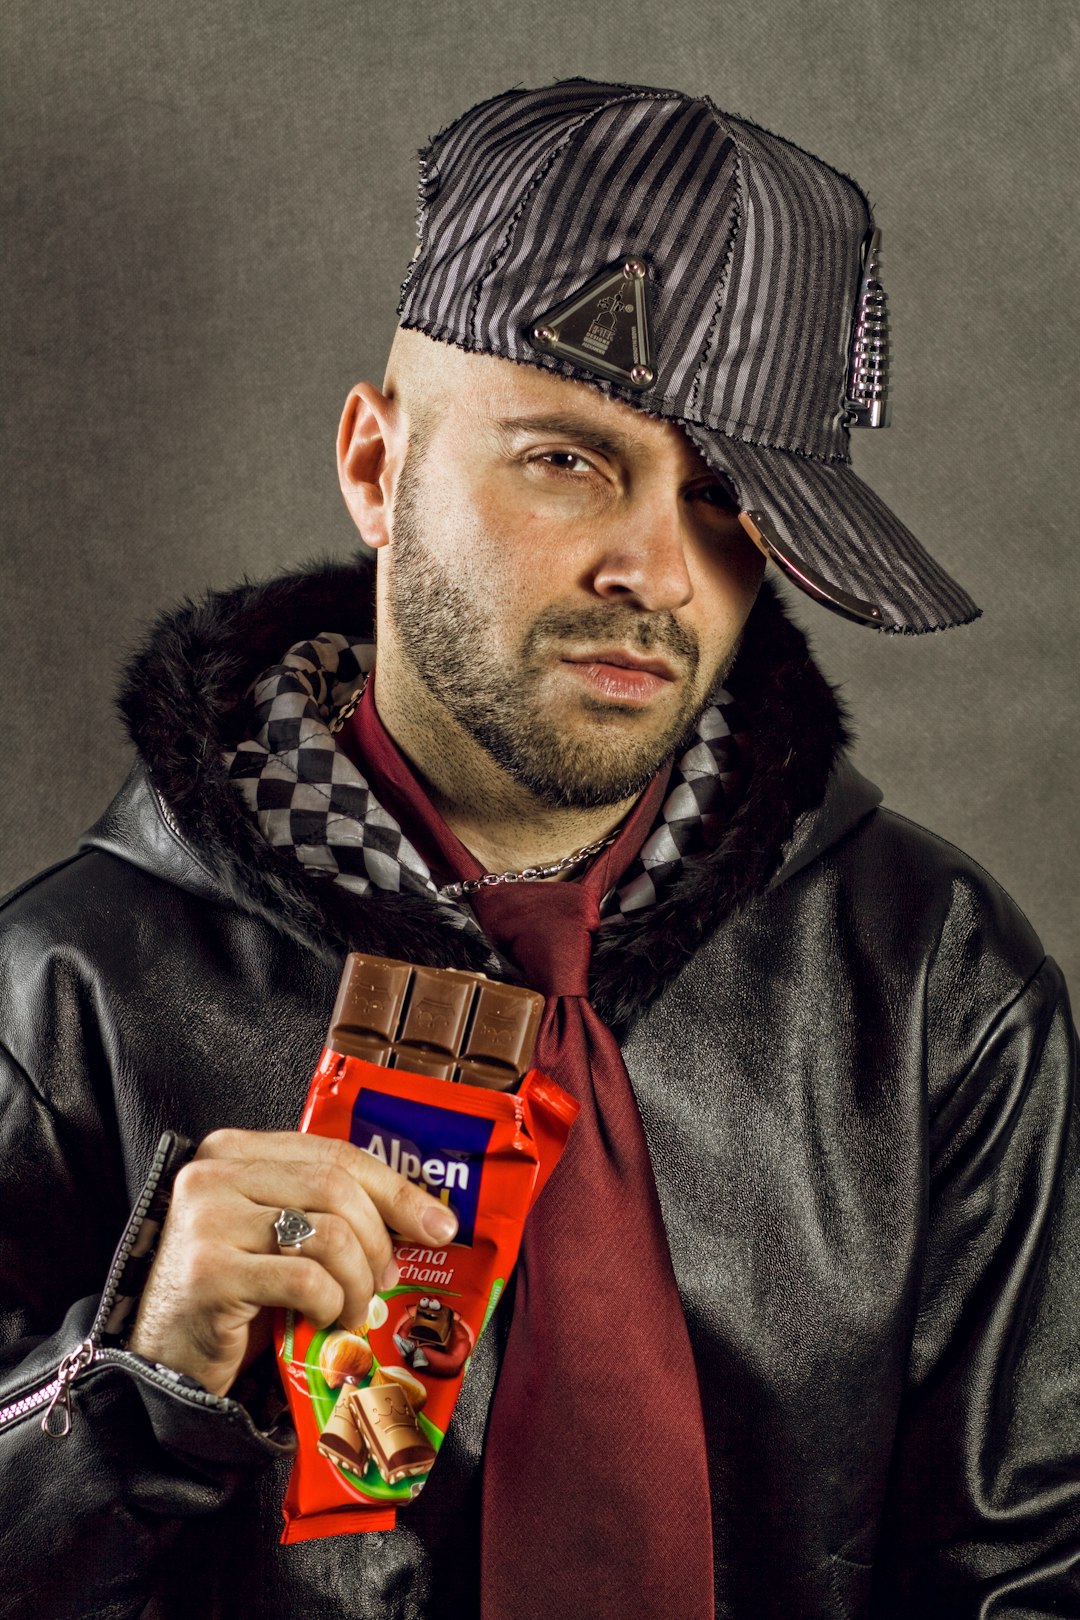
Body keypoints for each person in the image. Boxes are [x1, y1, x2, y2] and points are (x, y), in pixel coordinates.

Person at [0, 78, 1076, 1620]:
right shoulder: (64, 996)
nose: (654, 568)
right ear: (378, 471)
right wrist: (126, 1387)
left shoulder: (937, 987)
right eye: (568, 460)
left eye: (727, 499)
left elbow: (1032, 1570)